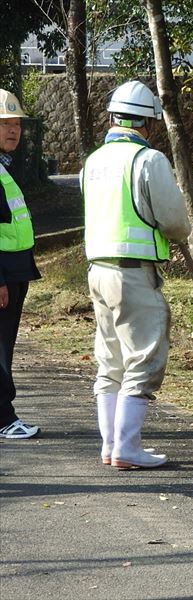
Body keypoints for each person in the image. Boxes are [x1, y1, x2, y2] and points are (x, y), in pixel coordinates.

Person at [82, 80, 191, 468]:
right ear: (147, 123)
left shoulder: (93, 161)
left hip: (97, 270)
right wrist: (178, 232)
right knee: (143, 358)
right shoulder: (148, 161)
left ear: (113, 117)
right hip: (133, 273)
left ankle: (111, 446)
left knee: (110, 360)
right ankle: (127, 448)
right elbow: (175, 222)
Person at [0, 90, 41, 440]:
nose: (13, 130)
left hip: (15, 269)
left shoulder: (5, 166)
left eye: (16, 124)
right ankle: (3, 417)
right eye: (4, 124)